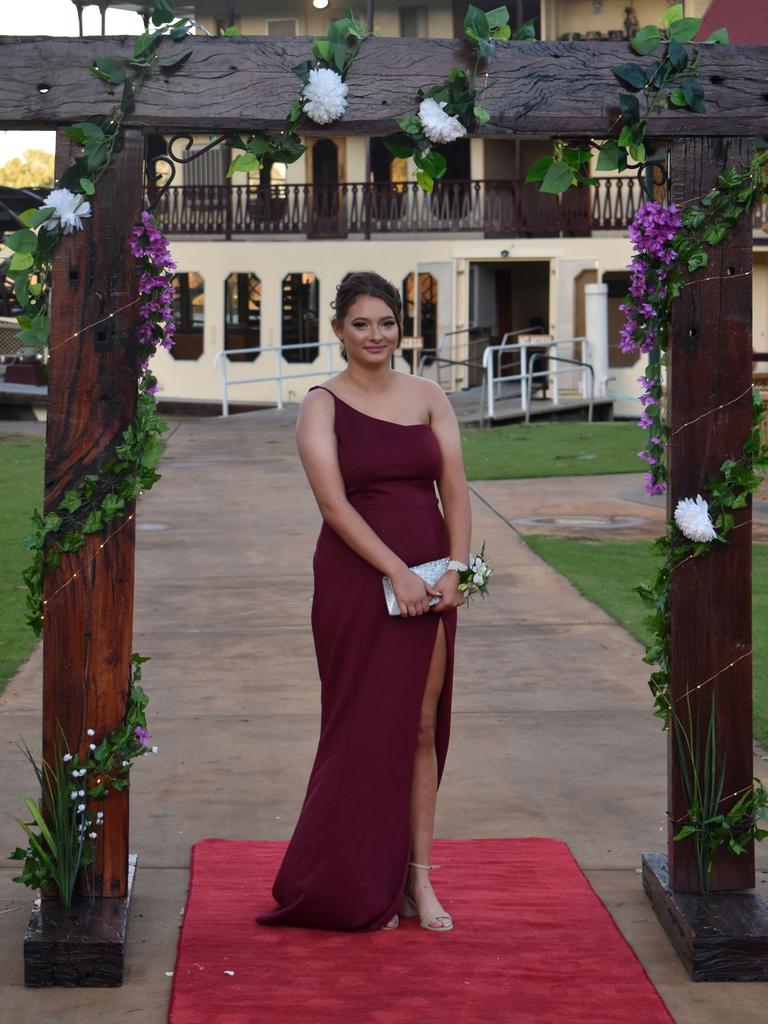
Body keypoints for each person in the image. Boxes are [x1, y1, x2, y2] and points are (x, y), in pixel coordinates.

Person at [255, 271, 472, 933]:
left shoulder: (430, 396)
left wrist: (457, 569)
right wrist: (396, 571)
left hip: (435, 581)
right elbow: (332, 504)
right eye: (361, 324)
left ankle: (416, 885)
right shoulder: (322, 404)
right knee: (360, 726)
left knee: (419, 728)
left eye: (386, 322)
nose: (376, 335)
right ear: (338, 331)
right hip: (359, 583)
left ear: (401, 327)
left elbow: (457, 490)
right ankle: (346, 880)